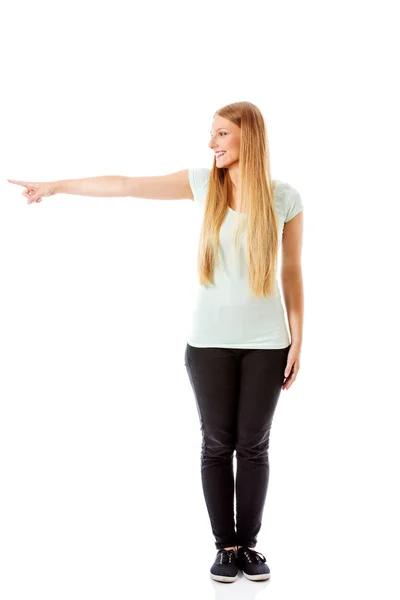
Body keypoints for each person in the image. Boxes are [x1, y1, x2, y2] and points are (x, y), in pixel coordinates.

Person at [7, 100, 304, 585]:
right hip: (208, 343)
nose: (212, 144)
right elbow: (126, 184)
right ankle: (224, 547)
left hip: (268, 342)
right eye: (212, 135)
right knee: (216, 443)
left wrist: (298, 339)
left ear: (249, 136)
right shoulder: (203, 185)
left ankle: (249, 546)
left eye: (222, 134)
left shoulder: (285, 197)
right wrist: (57, 186)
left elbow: (291, 271)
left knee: (253, 446)